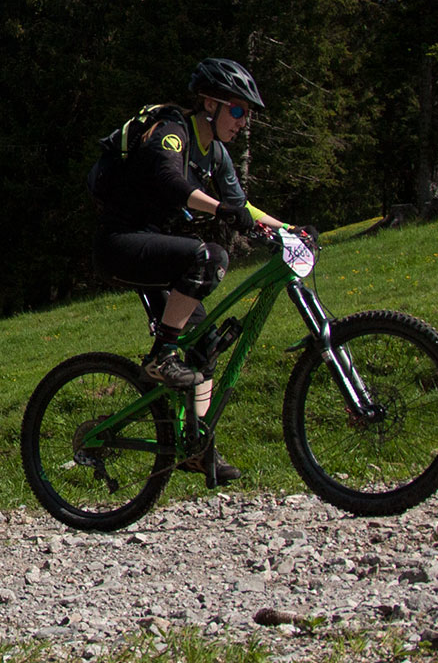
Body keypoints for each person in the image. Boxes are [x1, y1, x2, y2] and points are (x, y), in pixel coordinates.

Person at [88, 58, 292, 483]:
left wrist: (289, 230)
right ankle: (161, 357)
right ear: (211, 105)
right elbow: (171, 182)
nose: (243, 122)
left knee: (206, 344)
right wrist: (221, 209)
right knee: (208, 256)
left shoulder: (217, 154)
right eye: (237, 110)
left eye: (247, 114)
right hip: (121, 242)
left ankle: (194, 447)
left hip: (156, 247)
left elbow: (243, 207)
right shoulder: (171, 130)